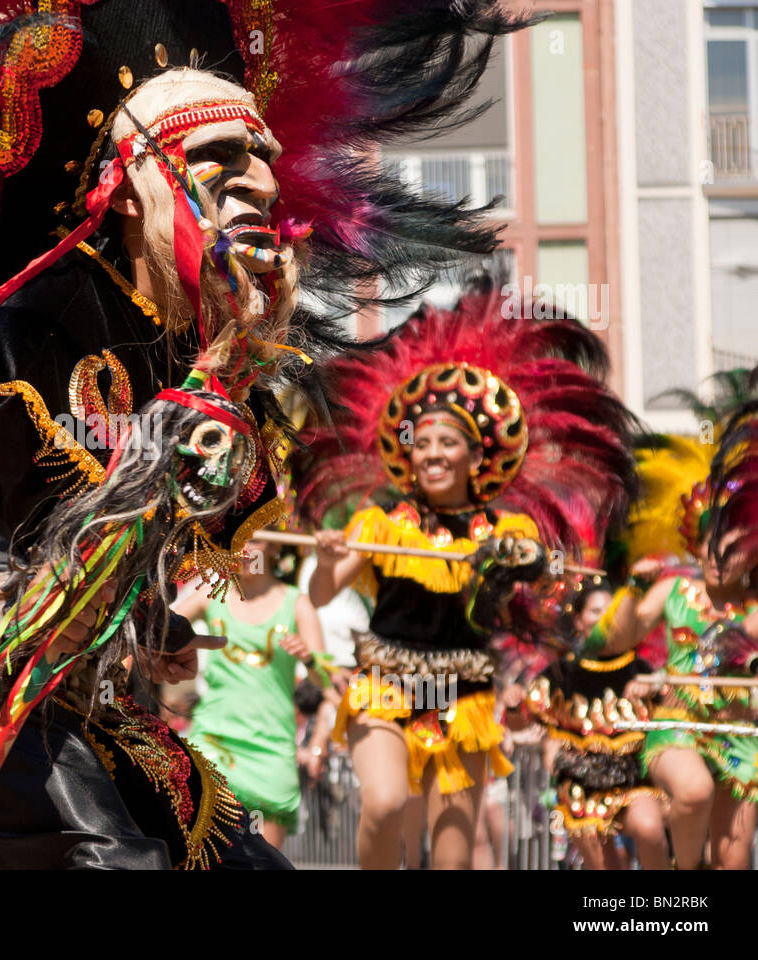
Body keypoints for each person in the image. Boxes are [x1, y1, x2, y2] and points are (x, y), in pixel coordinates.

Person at [0, 0, 526, 869]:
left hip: (79, 687)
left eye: (263, 161)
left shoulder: (198, 345)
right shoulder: (45, 311)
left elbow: (160, 525)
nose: (264, 186)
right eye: (221, 159)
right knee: (115, 863)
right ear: (127, 184)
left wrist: (162, 610)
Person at [298, 278, 637, 869]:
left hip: (468, 698)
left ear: (477, 455)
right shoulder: (382, 522)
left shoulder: (506, 537)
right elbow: (324, 589)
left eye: (446, 442)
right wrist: (327, 563)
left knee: (454, 859)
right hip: (384, 685)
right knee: (381, 804)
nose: (429, 452)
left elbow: (538, 597)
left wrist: (527, 574)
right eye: (420, 442)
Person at [594, 406, 758, 870]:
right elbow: (611, 641)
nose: (717, 555)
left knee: (734, 853)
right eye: (710, 541)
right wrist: (635, 591)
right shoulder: (673, 590)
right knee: (693, 791)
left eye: (732, 547)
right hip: (678, 724)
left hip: (741, 732)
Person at [176, 537, 329, 848]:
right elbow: (160, 628)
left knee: (262, 863)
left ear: (276, 546)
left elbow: (326, 680)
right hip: (213, 744)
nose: (245, 550)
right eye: (238, 539)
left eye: (256, 540)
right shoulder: (211, 592)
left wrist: (309, 659)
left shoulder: (296, 603)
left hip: (270, 754)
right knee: (199, 858)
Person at [524, 577, 669, 869]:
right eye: (594, 611)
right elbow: (527, 723)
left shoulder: (641, 671)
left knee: (650, 829)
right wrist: (534, 728)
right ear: (578, 620)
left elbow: (671, 718)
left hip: (633, 783)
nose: (604, 619)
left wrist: (660, 682)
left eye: (611, 612)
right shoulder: (561, 674)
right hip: (580, 789)